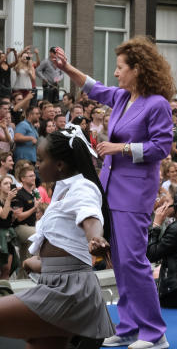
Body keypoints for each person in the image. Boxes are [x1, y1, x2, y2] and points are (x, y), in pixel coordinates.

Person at [52, 39, 176, 349]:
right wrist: (67, 68)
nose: (116, 72)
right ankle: (129, 326)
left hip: (135, 192)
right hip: (112, 187)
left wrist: (120, 148)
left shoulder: (157, 103)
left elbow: (161, 147)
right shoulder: (123, 97)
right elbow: (94, 87)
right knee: (118, 261)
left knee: (133, 261)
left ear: (138, 69)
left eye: (120, 67)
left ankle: (154, 332)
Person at [0, 129, 115, 346]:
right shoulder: (61, 191)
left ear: (60, 165)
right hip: (56, 284)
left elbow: (89, 216)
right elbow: (64, 245)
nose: (37, 166)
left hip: (70, 292)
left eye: (42, 160)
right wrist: (38, 263)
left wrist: (95, 238)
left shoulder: (82, 187)